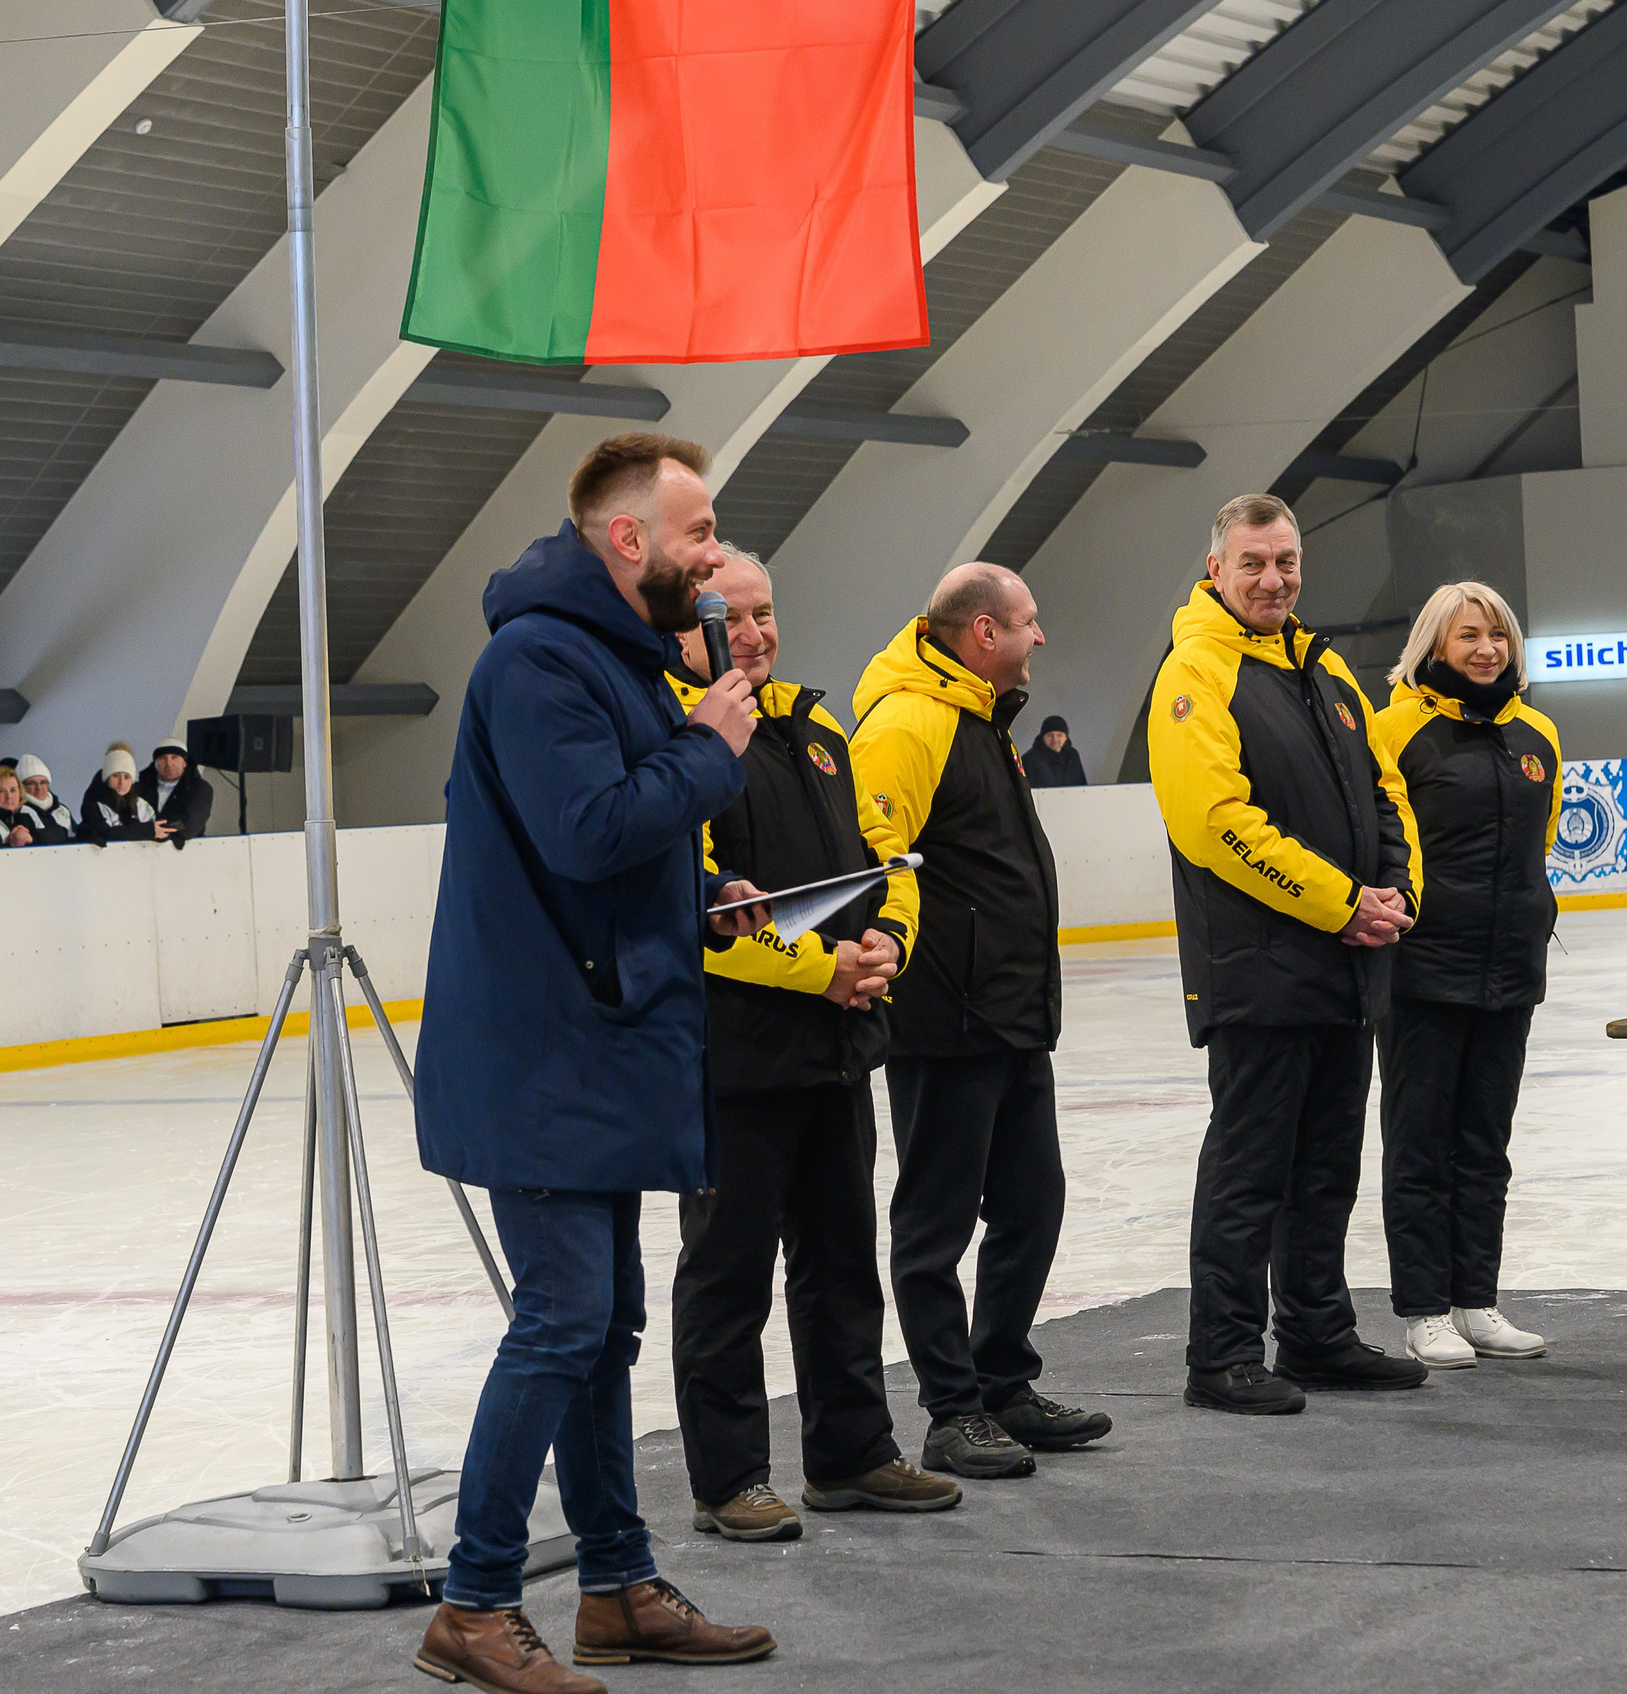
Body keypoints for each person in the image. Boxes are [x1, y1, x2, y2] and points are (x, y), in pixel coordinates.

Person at [411, 432, 775, 1692]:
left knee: (603, 1326)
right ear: (628, 542)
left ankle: (616, 1586)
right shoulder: (539, 662)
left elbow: (621, 848)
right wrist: (710, 752)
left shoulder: (609, 658)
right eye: (697, 532)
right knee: (563, 1321)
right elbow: (582, 831)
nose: (714, 555)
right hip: (541, 1058)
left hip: (589, 1043)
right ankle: (474, 1601)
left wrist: (697, 886)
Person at [661, 550, 959, 1545]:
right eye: (732, 618)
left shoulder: (815, 725)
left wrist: (888, 943)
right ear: (688, 630)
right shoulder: (679, 732)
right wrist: (820, 967)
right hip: (731, 1058)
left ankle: (852, 1453)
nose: (754, 634)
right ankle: (729, 1478)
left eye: (764, 613)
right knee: (727, 1274)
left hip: (834, 1048)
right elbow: (694, 906)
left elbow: (888, 860)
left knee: (840, 1262)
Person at [1148, 493, 1426, 1416]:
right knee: (1249, 1172)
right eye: (1254, 563)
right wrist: (1342, 903)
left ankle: (1315, 1331)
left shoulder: (1328, 672)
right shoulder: (1196, 673)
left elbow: (1387, 796)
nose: (1274, 579)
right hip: (1260, 970)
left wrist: (1398, 892)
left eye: (1288, 562)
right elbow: (1215, 825)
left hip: (1346, 972)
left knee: (1325, 1167)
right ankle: (1221, 1354)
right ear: (1216, 570)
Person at [853, 561, 1111, 1479]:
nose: (1040, 637)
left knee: (1032, 1206)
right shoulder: (907, 723)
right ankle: (951, 1409)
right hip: (944, 1022)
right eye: (1028, 622)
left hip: (1008, 1016)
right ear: (983, 634)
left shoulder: (978, 720)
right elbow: (881, 865)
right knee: (934, 1225)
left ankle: (1004, 1380)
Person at [1371, 583, 1561, 1369]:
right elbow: (1387, 839)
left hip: (1509, 964)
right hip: (1423, 967)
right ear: (1434, 646)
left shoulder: (1537, 732)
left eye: (1498, 636)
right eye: (1468, 636)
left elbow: (1539, 840)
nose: (1487, 649)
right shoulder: (1396, 729)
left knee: (1485, 1142)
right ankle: (1423, 1308)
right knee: (1420, 1143)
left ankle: (1475, 1300)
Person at [79, 745, 167, 845]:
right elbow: (105, 833)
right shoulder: (94, 805)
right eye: (115, 776)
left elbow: (159, 829)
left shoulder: (140, 803)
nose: (121, 783)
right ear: (107, 778)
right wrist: (147, 831)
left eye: (127, 777)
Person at [136, 738, 212, 845]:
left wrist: (151, 830)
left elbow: (188, 826)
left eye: (174, 757)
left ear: (185, 762)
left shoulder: (200, 789)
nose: (169, 763)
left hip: (188, 854)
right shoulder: (138, 789)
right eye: (163, 758)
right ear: (156, 763)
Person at [10, 755, 80, 844]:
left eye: (43, 782)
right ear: (22, 786)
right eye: (32, 783)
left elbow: (76, 839)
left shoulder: (62, 810)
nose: (38, 787)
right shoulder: (20, 812)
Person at [1018, 715, 1087, 786]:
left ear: (1066, 737)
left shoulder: (1072, 755)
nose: (1055, 739)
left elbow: (1082, 786)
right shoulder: (1030, 759)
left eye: (1059, 735)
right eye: (1050, 735)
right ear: (1043, 737)